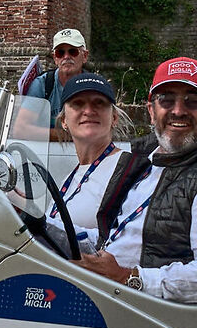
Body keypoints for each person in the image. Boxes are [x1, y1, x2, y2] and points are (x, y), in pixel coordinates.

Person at [80, 57, 197, 305]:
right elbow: (119, 237)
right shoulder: (148, 160)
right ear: (151, 111)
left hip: (146, 310)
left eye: (192, 101)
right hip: (110, 293)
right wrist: (44, 228)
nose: (178, 110)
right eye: (166, 100)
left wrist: (128, 277)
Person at [41, 72, 155, 258]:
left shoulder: (130, 171)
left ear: (114, 118)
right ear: (64, 121)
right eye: (77, 103)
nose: (88, 110)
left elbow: (119, 243)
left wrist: (40, 221)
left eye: (99, 103)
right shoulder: (70, 178)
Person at [16, 28, 91, 120]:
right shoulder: (43, 84)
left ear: (85, 56)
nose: (66, 56)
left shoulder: (94, 86)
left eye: (73, 51)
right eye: (60, 53)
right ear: (55, 58)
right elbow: (21, 128)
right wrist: (59, 134)